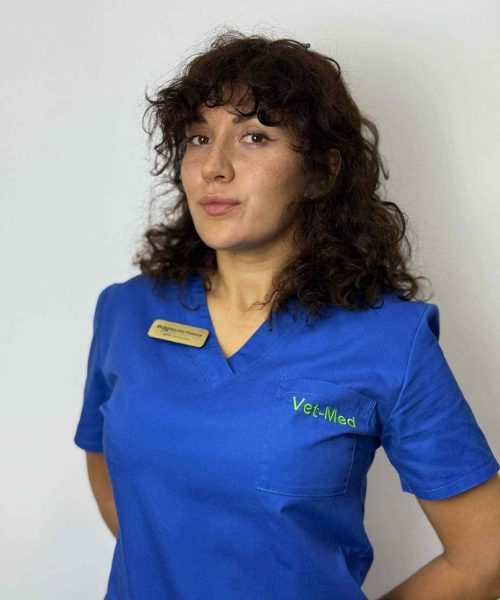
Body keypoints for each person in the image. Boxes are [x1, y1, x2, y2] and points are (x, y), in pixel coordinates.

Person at [73, 30, 500, 600]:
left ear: (321, 172)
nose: (214, 167)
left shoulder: (390, 341)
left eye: (254, 136)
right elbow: (102, 455)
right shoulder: (127, 311)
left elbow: (485, 556)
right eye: (199, 137)